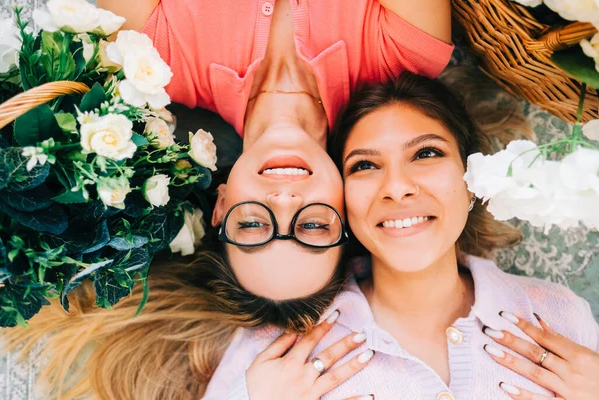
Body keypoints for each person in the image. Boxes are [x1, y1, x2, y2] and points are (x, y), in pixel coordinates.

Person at [203, 72, 599, 399]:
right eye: (364, 166)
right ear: (340, 202)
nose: (396, 187)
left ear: (472, 178)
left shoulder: (558, 315)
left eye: (426, 154)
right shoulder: (279, 349)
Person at [96, 0, 454, 300]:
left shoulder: (147, 55)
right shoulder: (406, 52)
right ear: (346, 208)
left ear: (221, 206)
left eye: (252, 224)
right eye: (313, 225)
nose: (284, 199)